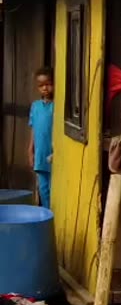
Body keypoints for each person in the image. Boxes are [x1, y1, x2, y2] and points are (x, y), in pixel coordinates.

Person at [28, 67, 54, 208]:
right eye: (41, 85)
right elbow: (33, 128)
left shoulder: (57, 106)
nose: (45, 88)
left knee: (54, 188)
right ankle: (46, 216)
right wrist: (30, 150)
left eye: (48, 84)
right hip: (40, 154)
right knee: (43, 190)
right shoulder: (35, 106)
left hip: (53, 154)